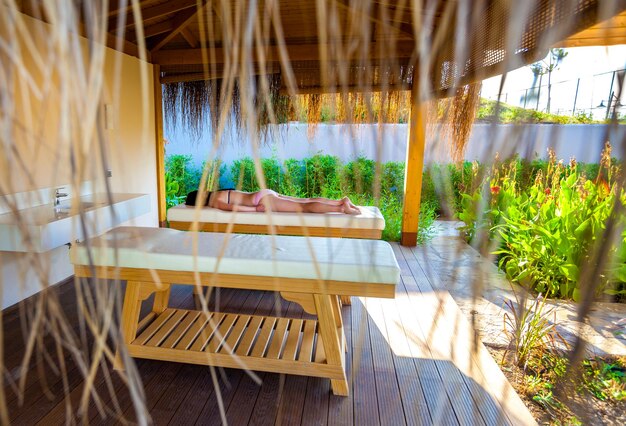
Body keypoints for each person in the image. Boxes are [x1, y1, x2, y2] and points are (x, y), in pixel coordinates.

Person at [185, 189, 361, 215]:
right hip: (263, 192)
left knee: (303, 207)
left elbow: (233, 208)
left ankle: (342, 209)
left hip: (261, 200)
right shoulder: (217, 191)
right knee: (306, 200)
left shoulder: (214, 201)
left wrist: (255, 210)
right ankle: (340, 202)